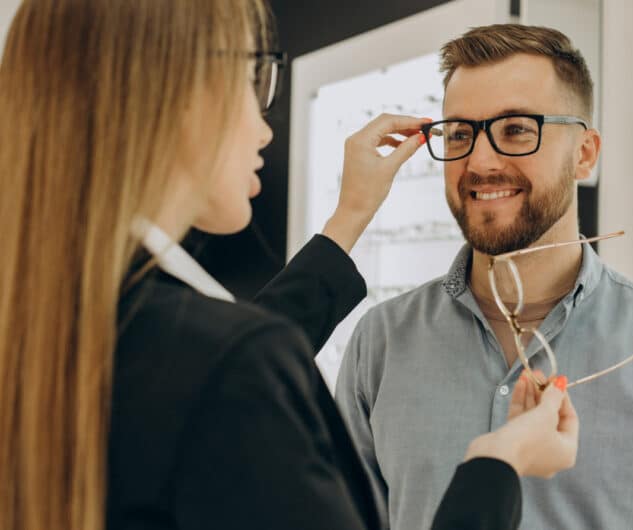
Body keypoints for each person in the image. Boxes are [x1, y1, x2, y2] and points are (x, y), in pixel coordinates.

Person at [0, 3, 580, 530]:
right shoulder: (232, 361)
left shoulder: (58, 324)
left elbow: (201, 370)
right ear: (178, 95)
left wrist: (350, 215)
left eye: (515, 130)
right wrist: (496, 466)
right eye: (252, 79)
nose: (263, 127)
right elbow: (222, 369)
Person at [335, 24, 633, 530]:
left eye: (516, 129)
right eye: (459, 134)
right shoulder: (380, 344)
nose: (480, 161)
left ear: (584, 153)